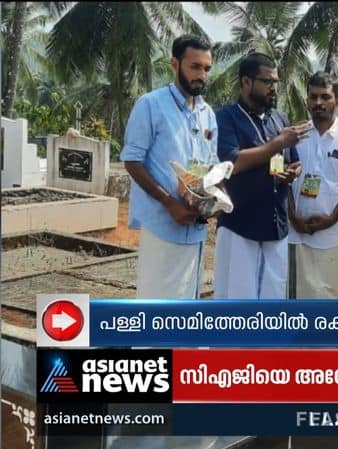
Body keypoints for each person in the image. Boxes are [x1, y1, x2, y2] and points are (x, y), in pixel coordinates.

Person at [121, 35, 217, 299]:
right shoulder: (151, 105)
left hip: (194, 225)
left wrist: (211, 198)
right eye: (195, 66)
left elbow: (210, 165)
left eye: (207, 68)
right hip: (163, 223)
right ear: (174, 64)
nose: (202, 75)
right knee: (156, 304)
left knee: (187, 303)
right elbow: (132, 160)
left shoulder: (207, 113)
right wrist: (169, 202)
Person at [213, 52, 307, 299]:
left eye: (276, 82)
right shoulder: (226, 117)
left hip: (275, 225)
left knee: (272, 299)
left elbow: (293, 160)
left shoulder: (279, 118)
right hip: (241, 225)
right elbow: (230, 162)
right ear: (246, 82)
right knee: (237, 300)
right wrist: (276, 144)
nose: (274, 88)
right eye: (267, 82)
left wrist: (292, 172)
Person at [288, 72, 338, 298]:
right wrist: (293, 217)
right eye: (313, 97)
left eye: (325, 97)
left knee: (325, 297)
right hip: (294, 232)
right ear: (307, 101)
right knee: (291, 296)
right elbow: (282, 180)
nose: (319, 103)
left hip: (330, 236)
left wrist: (331, 219)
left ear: (337, 101)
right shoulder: (295, 135)